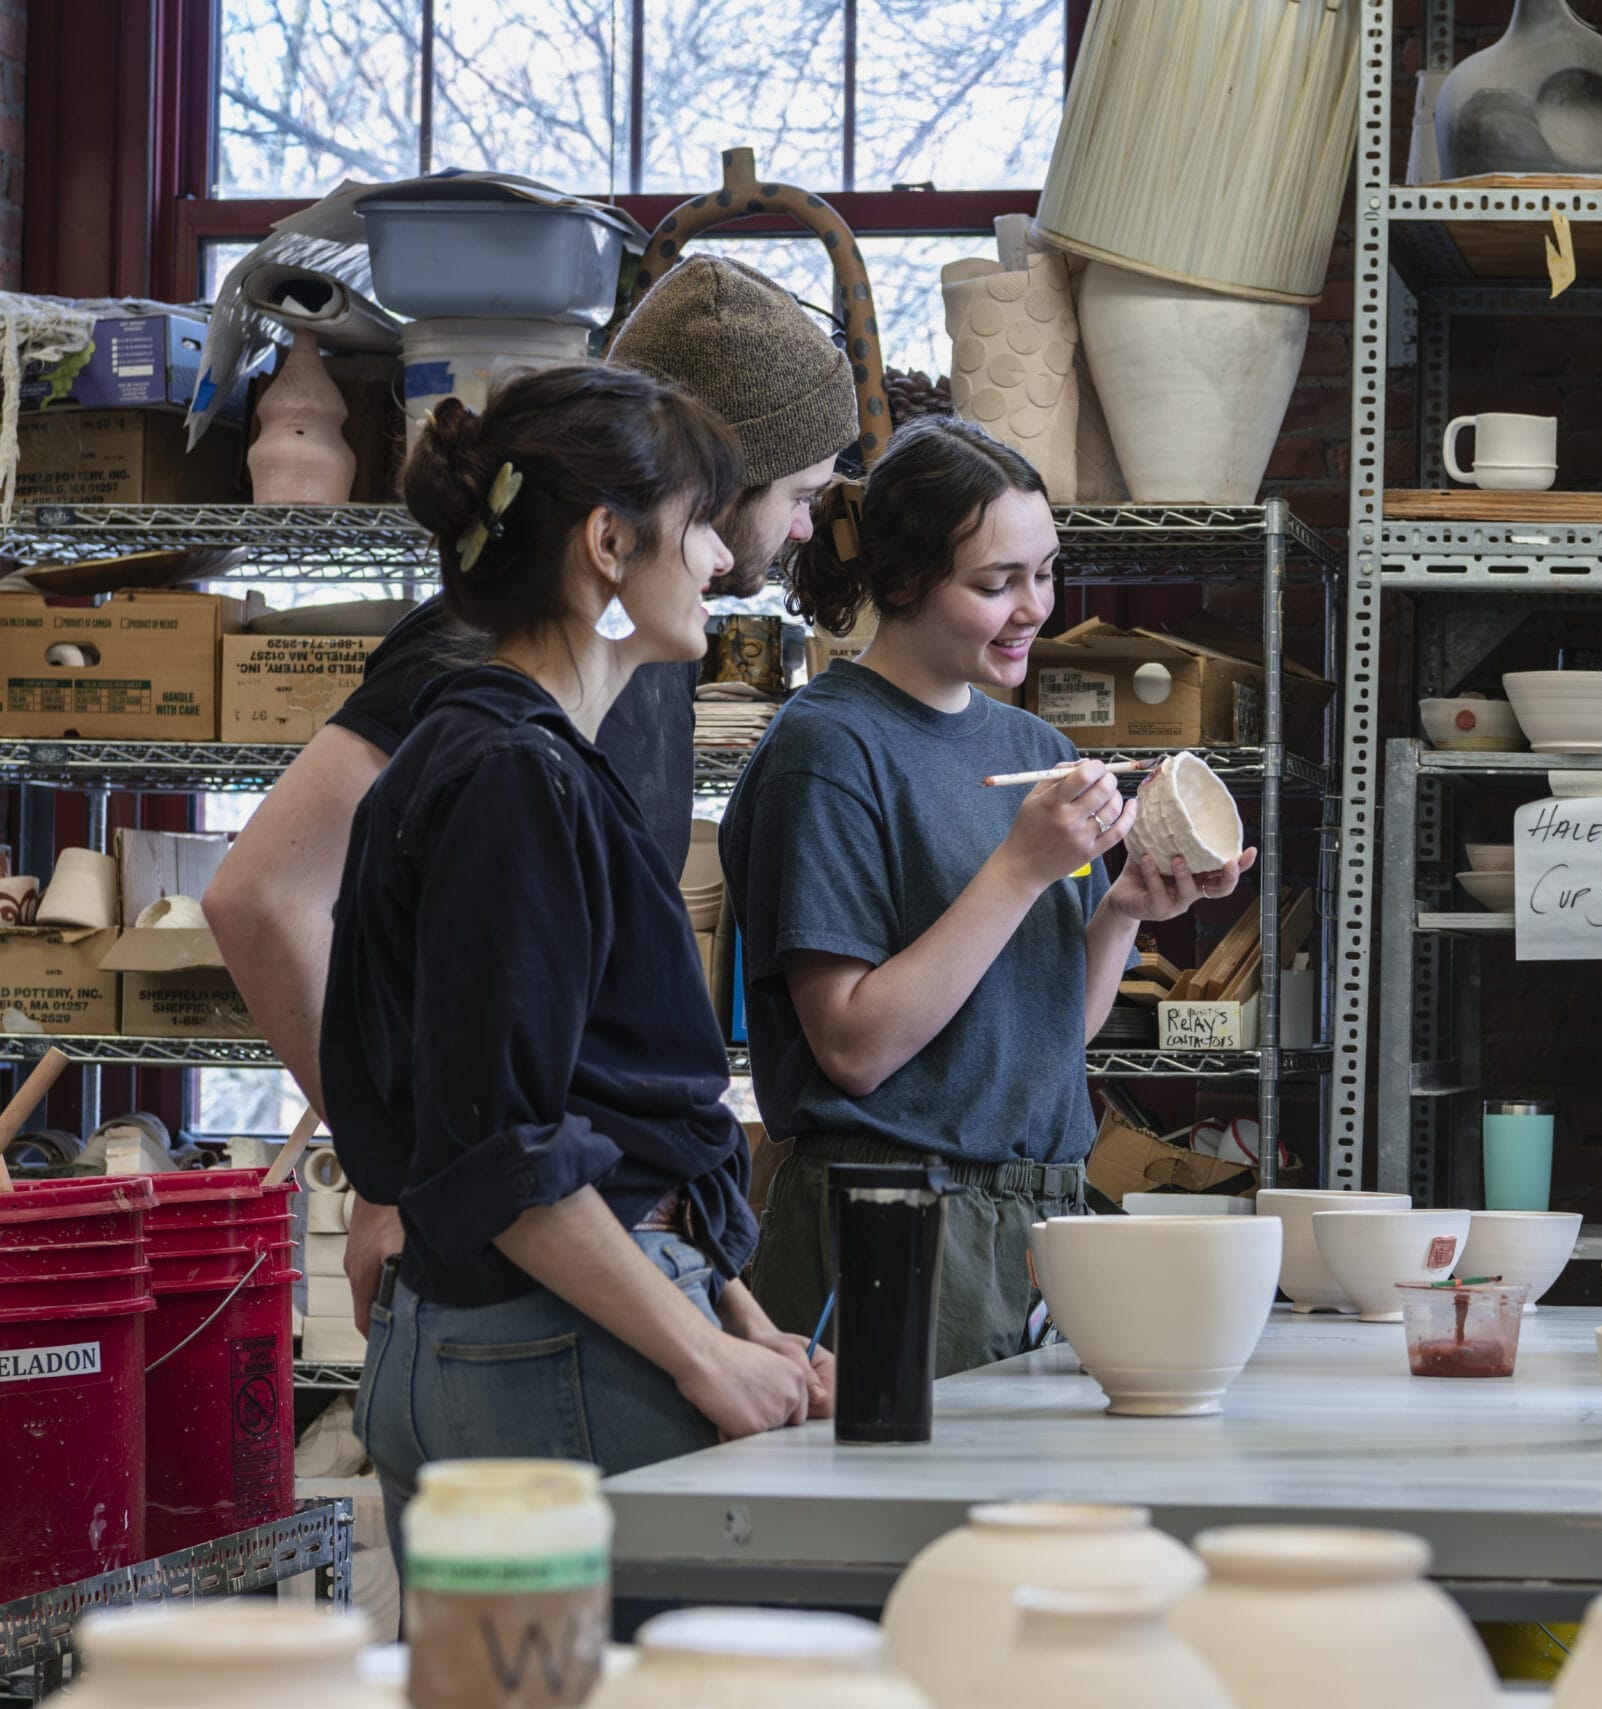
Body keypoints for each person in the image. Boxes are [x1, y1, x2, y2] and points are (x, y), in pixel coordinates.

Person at [204, 256, 851, 1332]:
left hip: (600, 1249)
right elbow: (262, 894)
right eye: (797, 495)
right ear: (699, 488)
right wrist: (397, 1170)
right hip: (521, 1277)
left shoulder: (639, 651)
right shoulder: (480, 660)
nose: (796, 531)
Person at [328, 368, 829, 1547]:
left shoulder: (500, 752)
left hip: (547, 1331)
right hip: (552, 1350)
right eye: (700, 523)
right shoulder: (514, 775)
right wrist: (699, 1349)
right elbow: (507, 1149)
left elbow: (600, 1108)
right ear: (609, 541)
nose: (716, 558)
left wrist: (733, 1309)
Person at [722, 416, 1253, 1372]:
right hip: (891, 1214)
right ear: (901, 582)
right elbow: (852, 1046)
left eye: (1045, 572)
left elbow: (1056, 1033)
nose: (1033, 608)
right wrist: (1018, 869)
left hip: (1041, 1217)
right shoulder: (829, 749)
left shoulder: (1035, 751)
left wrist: (1126, 906)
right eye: (994, 583)